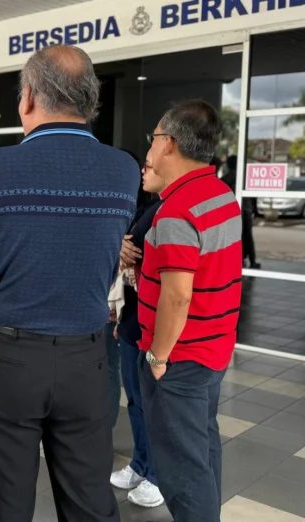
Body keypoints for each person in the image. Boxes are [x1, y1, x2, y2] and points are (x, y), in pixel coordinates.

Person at [0, 45, 138, 522]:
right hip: (88, 359)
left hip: (10, 358)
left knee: (4, 504)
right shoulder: (123, 168)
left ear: (28, 98)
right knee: (89, 501)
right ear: (91, 101)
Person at [138, 99, 242, 521]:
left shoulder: (176, 211)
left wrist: (158, 357)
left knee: (182, 471)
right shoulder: (220, 194)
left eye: (153, 138)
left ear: (169, 143)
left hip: (181, 359)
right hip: (213, 351)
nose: (149, 149)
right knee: (203, 449)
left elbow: (177, 296)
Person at [111, 160, 165, 508]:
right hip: (133, 319)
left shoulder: (167, 211)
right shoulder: (142, 209)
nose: (144, 172)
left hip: (155, 326)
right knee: (135, 401)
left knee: (152, 405)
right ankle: (141, 464)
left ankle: (157, 477)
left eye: (148, 166)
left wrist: (121, 247)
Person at [222, 154, 260, 268]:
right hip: (246, 210)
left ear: (228, 165)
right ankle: (251, 261)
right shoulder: (244, 178)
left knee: (234, 237)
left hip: (232, 212)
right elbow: (253, 196)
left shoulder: (225, 179)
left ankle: (238, 260)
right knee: (247, 236)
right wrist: (255, 210)